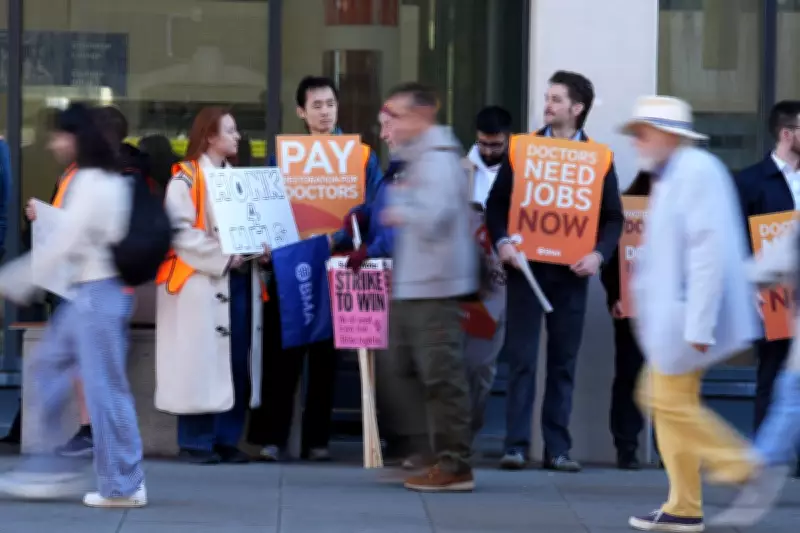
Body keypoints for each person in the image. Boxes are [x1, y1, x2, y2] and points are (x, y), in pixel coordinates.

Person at [621, 95, 762, 532]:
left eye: (644, 132)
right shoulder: (675, 173)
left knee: (659, 397)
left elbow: (707, 251)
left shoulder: (695, 172)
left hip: (688, 318)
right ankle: (684, 506)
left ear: (668, 135)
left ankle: (738, 462)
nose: (638, 141)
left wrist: (699, 323)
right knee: (668, 402)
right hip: (676, 318)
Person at [0, 103, 146, 507]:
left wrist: (10, 281)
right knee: (48, 368)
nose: (54, 143)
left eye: (61, 135)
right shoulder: (97, 178)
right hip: (88, 293)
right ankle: (52, 467)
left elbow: (64, 242)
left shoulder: (94, 182)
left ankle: (122, 485)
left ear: (78, 137)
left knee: (106, 391)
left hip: (98, 294)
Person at [485, 70, 624, 472]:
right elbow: (496, 207)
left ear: (577, 109)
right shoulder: (521, 150)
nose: (548, 105)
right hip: (526, 270)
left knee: (563, 363)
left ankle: (558, 449)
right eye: (547, 97)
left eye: (557, 99)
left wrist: (599, 255)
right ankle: (515, 446)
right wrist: (503, 242)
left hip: (571, 274)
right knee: (523, 359)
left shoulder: (599, 158)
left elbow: (613, 217)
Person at [248, 76, 381, 462]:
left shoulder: (362, 156)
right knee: (282, 354)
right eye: (317, 105)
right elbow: (269, 204)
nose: (325, 111)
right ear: (301, 112)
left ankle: (317, 440)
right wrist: (268, 245)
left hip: (337, 266)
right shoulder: (285, 155)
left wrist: (340, 237)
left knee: (326, 359)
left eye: (330, 104)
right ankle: (272, 438)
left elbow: (371, 209)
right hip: (290, 266)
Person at [155, 107, 265, 465]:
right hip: (199, 282)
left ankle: (226, 438)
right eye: (230, 131)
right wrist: (221, 255)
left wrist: (260, 246)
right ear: (209, 137)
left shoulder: (237, 178)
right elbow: (180, 231)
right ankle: (196, 441)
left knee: (234, 360)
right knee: (200, 361)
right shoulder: (185, 179)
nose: (237, 137)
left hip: (237, 279)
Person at [380, 82, 477, 492]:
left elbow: (434, 217)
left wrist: (401, 206)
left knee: (440, 376)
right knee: (403, 371)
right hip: (416, 285)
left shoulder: (436, 160)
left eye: (393, 119)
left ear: (419, 117)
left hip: (435, 287)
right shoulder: (417, 159)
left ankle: (455, 465)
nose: (386, 130)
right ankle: (429, 453)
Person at [735, 100, 800, 477]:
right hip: (770, 298)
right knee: (772, 373)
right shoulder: (750, 182)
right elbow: (737, 240)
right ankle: (762, 460)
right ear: (787, 134)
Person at [463, 106, 511, 441]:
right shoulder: (462, 170)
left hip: (499, 280)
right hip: (461, 277)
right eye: (484, 144)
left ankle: (470, 427)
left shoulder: (520, 171)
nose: (489, 151)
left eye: (496, 145)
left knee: (482, 363)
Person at [600, 171, 652, 470]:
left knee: (670, 379)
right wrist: (615, 297)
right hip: (631, 308)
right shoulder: (627, 209)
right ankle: (627, 446)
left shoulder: (686, 209)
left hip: (671, 309)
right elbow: (612, 258)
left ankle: (668, 449)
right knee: (630, 376)